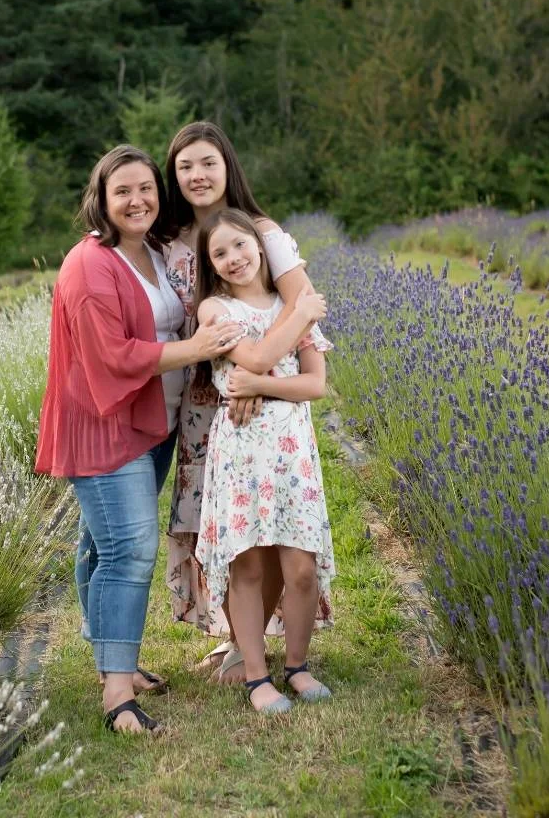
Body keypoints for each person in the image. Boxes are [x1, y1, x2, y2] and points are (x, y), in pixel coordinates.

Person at [35, 145, 252, 735]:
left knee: (101, 546)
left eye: (147, 189)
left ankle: (114, 657)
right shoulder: (91, 264)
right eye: (123, 191)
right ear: (101, 199)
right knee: (130, 551)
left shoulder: (155, 251)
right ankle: (116, 693)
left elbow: (192, 307)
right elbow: (110, 357)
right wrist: (197, 350)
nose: (138, 200)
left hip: (152, 424)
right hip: (106, 427)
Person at [162, 120, 329, 682]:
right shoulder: (176, 236)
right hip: (206, 395)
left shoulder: (262, 232)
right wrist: (235, 372)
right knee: (229, 525)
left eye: (208, 162)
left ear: (227, 165)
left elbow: (300, 300)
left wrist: (254, 371)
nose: (198, 175)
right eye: (185, 166)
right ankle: (242, 642)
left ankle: (261, 645)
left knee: (271, 525)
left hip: (262, 395)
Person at [193, 209, 336, 713]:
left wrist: (261, 385)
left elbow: (315, 383)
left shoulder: (287, 301)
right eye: (220, 253)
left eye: (240, 246)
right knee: (248, 565)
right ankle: (257, 675)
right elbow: (251, 357)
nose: (234, 259)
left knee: (300, 566)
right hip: (242, 451)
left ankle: (296, 665)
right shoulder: (215, 309)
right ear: (210, 265)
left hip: (291, 447)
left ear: (260, 245)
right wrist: (299, 314)